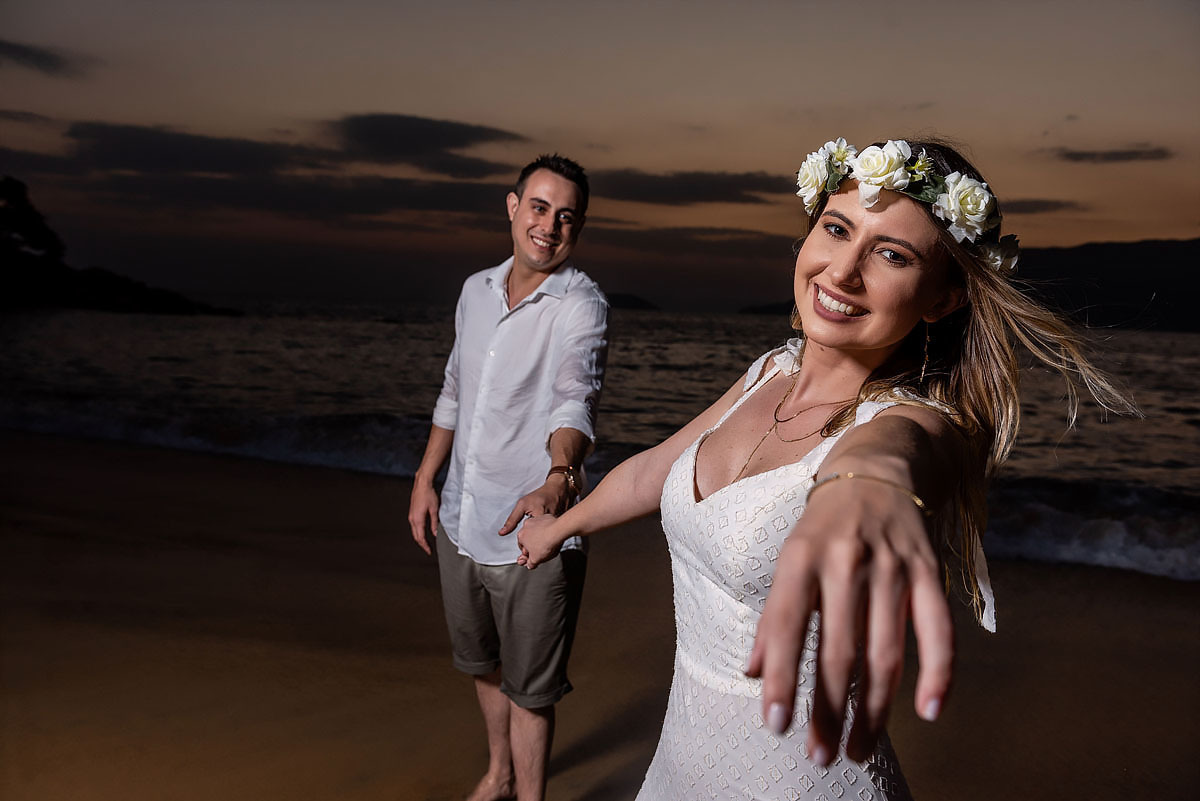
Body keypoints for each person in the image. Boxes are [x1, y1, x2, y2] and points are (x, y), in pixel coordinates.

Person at [516, 137, 1135, 799]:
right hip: (678, 767)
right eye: (837, 229)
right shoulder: (767, 372)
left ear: (942, 298)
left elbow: (892, 455)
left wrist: (863, 487)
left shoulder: (916, 424)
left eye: (891, 254)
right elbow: (655, 470)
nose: (842, 271)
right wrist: (560, 524)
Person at [408, 154, 608, 801]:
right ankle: (498, 774)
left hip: (534, 533)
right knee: (483, 663)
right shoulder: (474, 291)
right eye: (540, 207)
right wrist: (424, 477)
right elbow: (454, 389)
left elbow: (574, 396)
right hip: (464, 519)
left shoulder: (581, 305)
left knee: (531, 688)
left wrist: (559, 475)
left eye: (567, 217)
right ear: (513, 205)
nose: (550, 226)